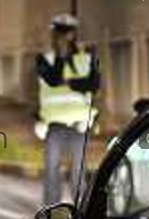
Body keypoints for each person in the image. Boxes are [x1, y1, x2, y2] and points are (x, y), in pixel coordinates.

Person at [35, 14, 100, 205]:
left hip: (80, 125)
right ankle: (50, 211)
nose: (64, 37)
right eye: (59, 33)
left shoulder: (86, 58)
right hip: (54, 125)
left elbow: (94, 84)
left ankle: (80, 212)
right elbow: (52, 79)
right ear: (53, 35)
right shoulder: (44, 59)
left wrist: (70, 82)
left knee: (79, 171)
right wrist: (61, 57)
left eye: (67, 33)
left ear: (73, 35)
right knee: (52, 169)